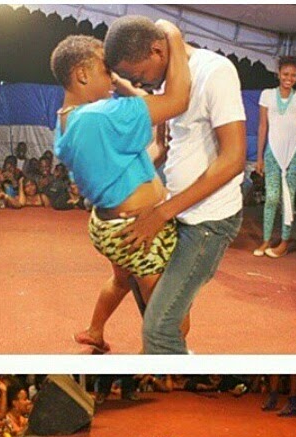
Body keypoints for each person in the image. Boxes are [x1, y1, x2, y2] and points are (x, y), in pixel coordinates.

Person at [103, 15, 247, 354]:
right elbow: (164, 148)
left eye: (139, 75)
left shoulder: (215, 72)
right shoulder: (169, 81)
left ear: (157, 50)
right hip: (177, 211)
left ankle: (169, 357)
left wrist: (160, 214)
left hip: (208, 222)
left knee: (159, 328)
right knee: (144, 282)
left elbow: (233, 158)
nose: (141, 83)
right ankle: (168, 354)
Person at [49, 25, 191, 354]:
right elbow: (177, 100)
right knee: (173, 323)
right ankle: (148, 364)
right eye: (106, 70)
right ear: (82, 74)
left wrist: (157, 150)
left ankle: (94, 331)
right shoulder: (102, 115)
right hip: (137, 232)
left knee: (121, 280)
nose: (114, 78)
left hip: (110, 226)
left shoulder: (67, 120)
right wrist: (172, 35)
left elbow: (118, 167)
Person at [254, 56, 296, 258]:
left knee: (288, 198)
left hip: (294, 152)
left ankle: (284, 241)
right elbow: (262, 126)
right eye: (285, 74)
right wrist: (259, 158)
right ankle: (266, 240)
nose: (289, 78)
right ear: (278, 74)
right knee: (271, 197)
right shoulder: (267, 95)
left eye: (293, 75)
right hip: (273, 151)